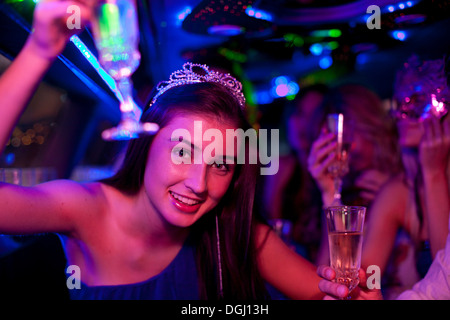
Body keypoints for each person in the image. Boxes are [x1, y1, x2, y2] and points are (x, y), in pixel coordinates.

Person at [0, 0, 340, 300]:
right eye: (182, 153)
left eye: (220, 164)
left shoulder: (235, 231)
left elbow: (322, 293)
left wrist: (331, 196)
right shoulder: (85, 209)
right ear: (146, 144)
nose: (198, 183)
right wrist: (39, 51)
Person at [360, 56, 450, 299]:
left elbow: (445, 279)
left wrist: (434, 173)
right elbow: (368, 273)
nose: (402, 113)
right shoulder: (399, 190)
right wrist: (376, 290)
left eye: (417, 101)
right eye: (400, 103)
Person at [307, 84, 401, 265]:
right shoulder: (342, 197)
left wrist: (391, 195)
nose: (344, 151)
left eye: (348, 134)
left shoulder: (413, 176)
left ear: (372, 126)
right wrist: (330, 194)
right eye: (332, 140)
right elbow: (328, 278)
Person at [260, 84, 328, 261]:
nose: (301, 124)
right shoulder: (281, 166)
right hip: (286, 264)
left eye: (313, 115)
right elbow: (272, 227)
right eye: (297, 113)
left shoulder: (336, 172)